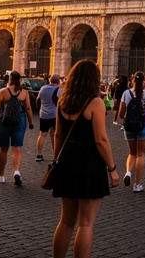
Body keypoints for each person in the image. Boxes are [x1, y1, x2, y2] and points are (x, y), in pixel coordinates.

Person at [51, 59, 119, 258]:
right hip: (89, 163)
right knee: (86, 223)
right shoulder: (95, 102)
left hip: (67, 162)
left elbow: (58, 135)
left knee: (65, 221)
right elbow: (101, 139)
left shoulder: (63, 101)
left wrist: (57, 162)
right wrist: (112, 168)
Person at [117, 71, 145, 193]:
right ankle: (137, 184)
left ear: (132, 80)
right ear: (144, 81)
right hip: (143, 126)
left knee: (132, 153)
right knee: (141, 154)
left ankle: (128, 172)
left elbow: (120, 113)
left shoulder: (126, 93)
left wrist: (126, 118)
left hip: (129, 126)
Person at [0, 70, 35, 185]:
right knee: (17, 147)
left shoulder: (3, 92)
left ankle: (1, 176)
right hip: (19, 120)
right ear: (20, 80)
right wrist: (31, 122)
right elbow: (28, 109)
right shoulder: (24, 92)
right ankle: (16, 171)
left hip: (4, 121)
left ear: (9, 80)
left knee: (3, 148)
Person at [36, 75, 61, 161]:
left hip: (43, 114)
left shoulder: (43, 88)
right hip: (54, 115)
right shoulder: (58, 90)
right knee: (54, 135)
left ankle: (39, 154)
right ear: (58, 82)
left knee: (42, 134)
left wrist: (39, 108)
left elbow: (38, 99)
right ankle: (55, 155)